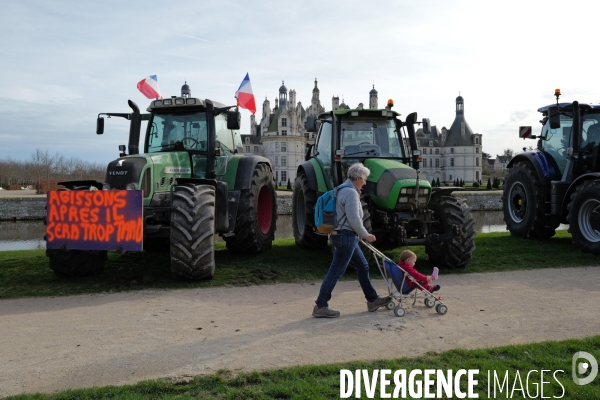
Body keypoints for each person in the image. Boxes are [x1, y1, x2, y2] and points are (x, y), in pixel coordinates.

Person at [313, 163, 392, 318]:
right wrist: (366, 234)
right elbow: (354, 219)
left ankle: (372, 300)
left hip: (343, 236)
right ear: (357, 178)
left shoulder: (340, 189)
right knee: (336, 271)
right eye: (364, 179)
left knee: (363, 266)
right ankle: (320, 305)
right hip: (346, 237)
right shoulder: (351, 193)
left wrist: (358, 234)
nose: (365, 183)